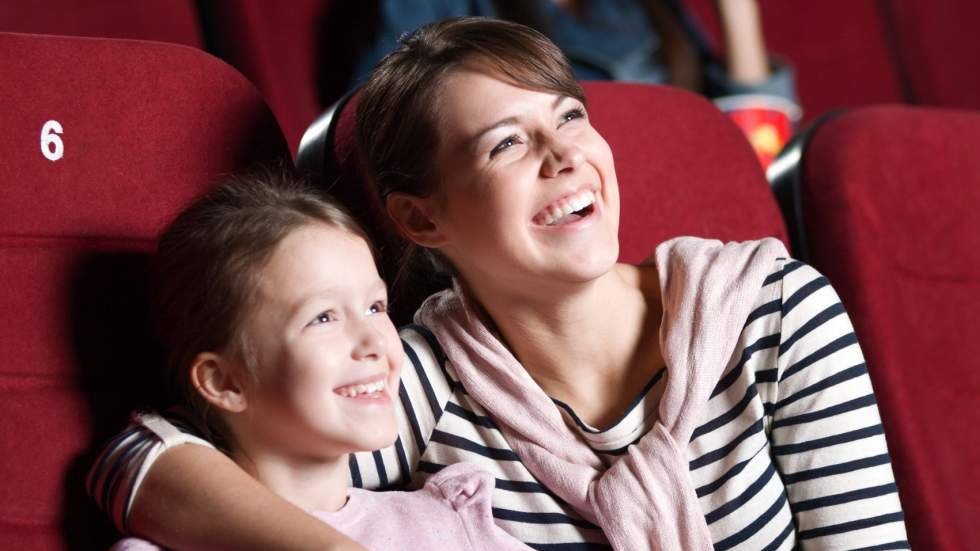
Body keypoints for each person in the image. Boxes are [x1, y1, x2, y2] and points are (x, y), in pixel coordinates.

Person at [89, 18, 908, 550]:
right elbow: (140, 461)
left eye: (571, 116)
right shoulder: (419, 379)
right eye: (506, 144)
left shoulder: (772, 311)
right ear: (421, 219)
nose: (565, 156)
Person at [102, 169, 532, 551]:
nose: (374, 341)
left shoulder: (447, 523)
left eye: (375, 307)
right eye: (323, 317)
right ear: (225, 382)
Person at [342, 0, 795, 103]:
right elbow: (374, 120)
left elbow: (758, 138)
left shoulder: (646, 7)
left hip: (691, 198)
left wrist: (737, 10)